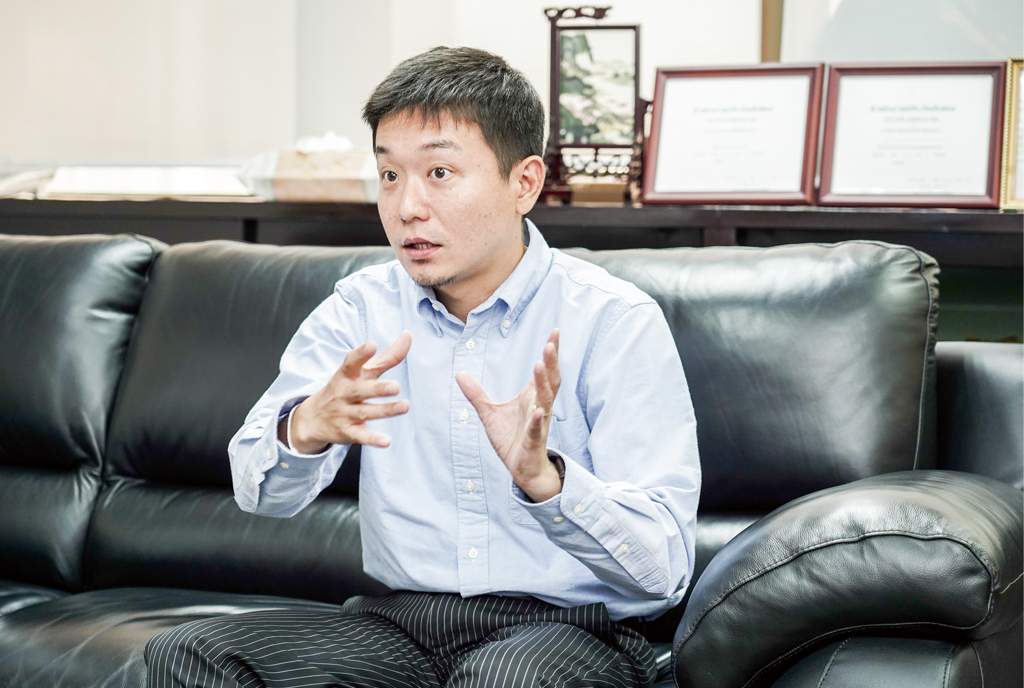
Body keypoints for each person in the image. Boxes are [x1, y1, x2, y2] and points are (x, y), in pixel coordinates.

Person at [146, 46, 700, 688]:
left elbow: (663, 572)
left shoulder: (613, 319)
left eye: (439, 172)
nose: (407, 206)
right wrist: (305, 428)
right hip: (400, 625)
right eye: (389, 175)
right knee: (190, 654)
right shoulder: (360, 309)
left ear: (524, 183)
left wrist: (546, 482)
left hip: (568, 631)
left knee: (505, 679)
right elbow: (258, 493)